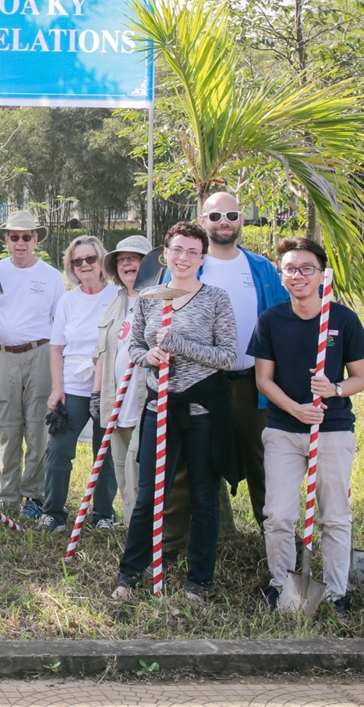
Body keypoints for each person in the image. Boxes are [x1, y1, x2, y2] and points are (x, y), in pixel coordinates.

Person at [111, 222, 240, 602]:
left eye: (192, 252)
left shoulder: (216, 299)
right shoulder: (148, 297)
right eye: (177, 250)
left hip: (202, 410)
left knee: (203, 495)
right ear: (164, 253)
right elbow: (135, 346)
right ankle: (130, 572)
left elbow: (228, 357)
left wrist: (180, 344)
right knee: (150, 492)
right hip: (159, 405)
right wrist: (148, 355)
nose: (183, 258)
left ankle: (199, 580)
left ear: (202, 258)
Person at [252, 237, 364, 619]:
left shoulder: (342, 319)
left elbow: (360, 379)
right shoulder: (272, 319)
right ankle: (281, 585)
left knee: (334, 515)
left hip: (333, 428)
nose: (298, 275)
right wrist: (296, 408)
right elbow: (264, 380)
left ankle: (336, 593)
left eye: (307, 268)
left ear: (321, 274)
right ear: (282, 275)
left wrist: (333, 389)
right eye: (290, 269)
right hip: (284, 429)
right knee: (278, 515)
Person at [191, 191, 290, 531]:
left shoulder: (261, 268)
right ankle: (211, 536)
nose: (224, 223)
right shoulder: (191, 264)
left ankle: (275, 539)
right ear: (202, 221)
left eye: (231, 216)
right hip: (201, 383)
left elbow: (286, 318)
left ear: (242, 220)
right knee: (200, 460)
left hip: (253, 383)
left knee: (263, 461)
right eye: (215, 217)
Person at [0, 209, 64, 520]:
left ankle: (33, 496)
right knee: (9, 429)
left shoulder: (51, 276)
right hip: (2, 355)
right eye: (15, 237)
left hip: (40, 354)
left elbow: (59, 323)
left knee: (37, 427)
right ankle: (8, 497)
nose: (21, 242)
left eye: (27, 237)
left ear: (36, 239)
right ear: (7, 240)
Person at [39, 235, 119, 532]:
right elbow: (56, 347)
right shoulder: (68, 301)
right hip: (73, 385)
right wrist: (57, 388)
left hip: (107, 386)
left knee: (105, 451)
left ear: (101, 262)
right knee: (58, 449)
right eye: (77, 261)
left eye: (90, 259)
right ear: (71, 266)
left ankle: (103, 514)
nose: (84, 265)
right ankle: (54, 513)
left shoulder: (117, 297)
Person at [93, 234, 151, 532]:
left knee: (138, 473)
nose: (127, 262)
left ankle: (145, 538)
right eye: (121, 259)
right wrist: (96, 395)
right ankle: (131, 533)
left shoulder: (158, 302)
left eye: (135, 257)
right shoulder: (115, 305)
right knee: (121, 472)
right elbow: (101, 355)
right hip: (115, 406)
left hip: (145, 405)